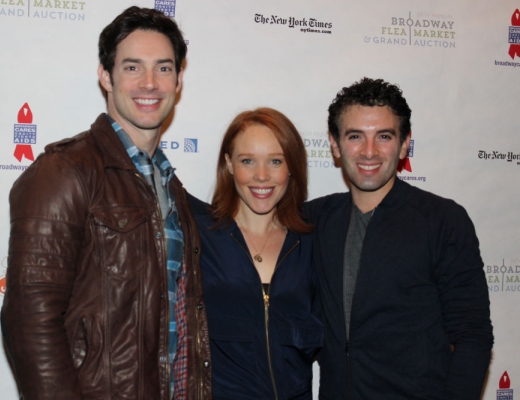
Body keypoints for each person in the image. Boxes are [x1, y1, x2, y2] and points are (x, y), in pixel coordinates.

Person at [0, 7, 212, 399]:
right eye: (132, 67)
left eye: (164, 68)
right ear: (105, 75)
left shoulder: (171, 187)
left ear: (179, 79)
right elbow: (30, 321)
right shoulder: (66, 171)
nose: (149, 83)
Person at [305, 77, 493, 399]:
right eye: (354, 136)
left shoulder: (442, 221)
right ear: (334, 145)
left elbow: (472, 337)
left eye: (384, 136)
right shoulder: (313, 220)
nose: (369, 151)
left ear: (405, 144)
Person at [189, 108, 324, 400]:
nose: (261, 176)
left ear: (292, 167)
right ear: (229, 164)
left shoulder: (312, 243)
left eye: (275, 161)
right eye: (247, 161)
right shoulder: (198, 236)